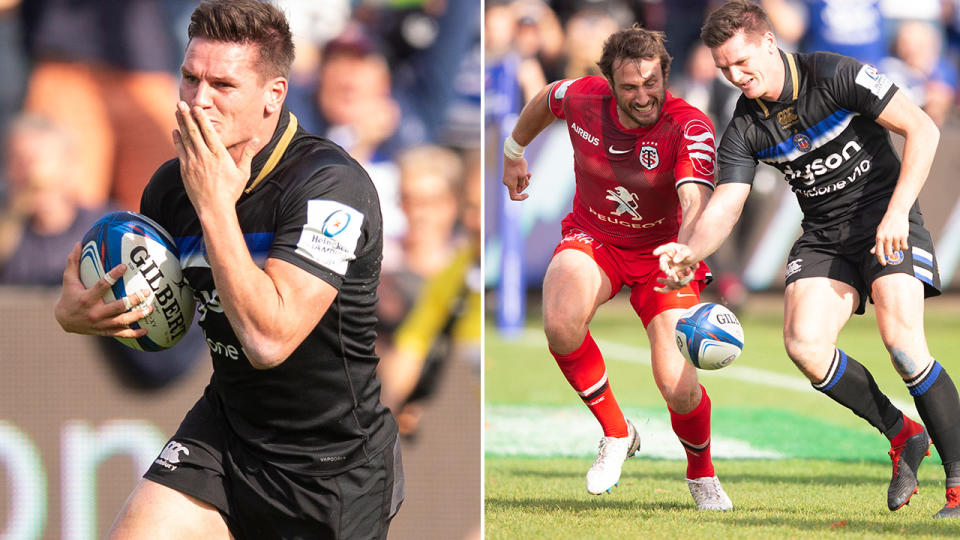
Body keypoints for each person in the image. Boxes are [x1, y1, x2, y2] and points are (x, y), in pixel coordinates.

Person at [53, 1, 403, 537]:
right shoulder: (171, 189)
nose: (199, 101)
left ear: (274, 96)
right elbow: (168, 318)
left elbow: (268, 340)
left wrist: (216, 207)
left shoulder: (332, 188)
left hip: (332, 467)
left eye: (223, 85)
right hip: (227, 434)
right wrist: (90, 314)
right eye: (190, 79)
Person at [655, 0, 960, 519]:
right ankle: (902, 433)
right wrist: (691, 249)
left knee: (903, 344)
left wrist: (896, 213)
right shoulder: (745, 125)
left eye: (743, 62)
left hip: (887, 218)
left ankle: (958, 485)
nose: (736, 75)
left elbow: (924, 130)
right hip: (824, 236)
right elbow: (726, 204)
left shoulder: (834, 74)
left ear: (769, 42)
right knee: (804, 345)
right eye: (725, 68)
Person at [501, 25, 733, 510]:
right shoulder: (582, 97)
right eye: (630, 87)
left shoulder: (689, 125)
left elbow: (695, 198)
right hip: (595, 235)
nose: (643, 95)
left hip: (664, 253)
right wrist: (513, 151)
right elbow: (547, 98)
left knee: (678, 386)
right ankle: (616, 432)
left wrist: (686, 251)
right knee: (560, 323)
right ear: (608, 82)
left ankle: (702, 473)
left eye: (652, 83)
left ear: (664, 75)